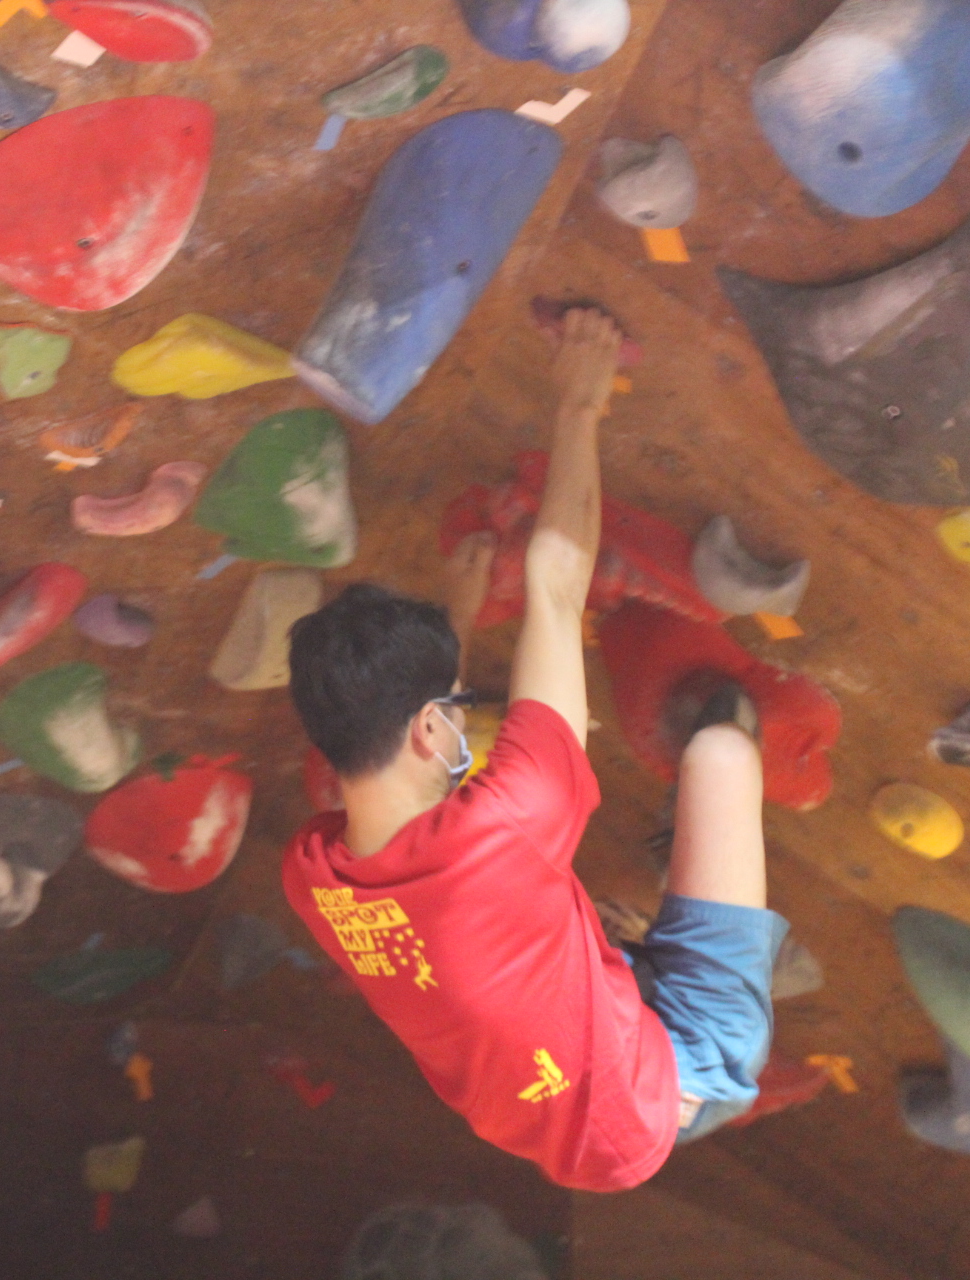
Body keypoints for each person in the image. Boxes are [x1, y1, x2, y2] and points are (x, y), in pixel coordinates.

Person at [281, 308, 789, 1192]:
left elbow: (414, 773)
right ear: (429, 727)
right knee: (722, 752)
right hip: (672, 1078)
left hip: (560, 1094)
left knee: (674, 800)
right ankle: (678, 985)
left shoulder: (316, 873)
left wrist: (457, 617)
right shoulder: (496, 821)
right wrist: (579, 402)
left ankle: (628, 945)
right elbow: (558, 586)